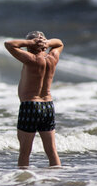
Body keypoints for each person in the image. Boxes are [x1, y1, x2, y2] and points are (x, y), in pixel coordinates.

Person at [4, 31, 64, 168]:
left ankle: (22, 184)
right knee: (52, 150)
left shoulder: (30, 59)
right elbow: (59, 43)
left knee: (25, 152)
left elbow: (9, 44)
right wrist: (47, 43)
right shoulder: (52, 57)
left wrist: (30, 43)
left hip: (30, 106)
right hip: (48, 106)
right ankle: (57, 180)